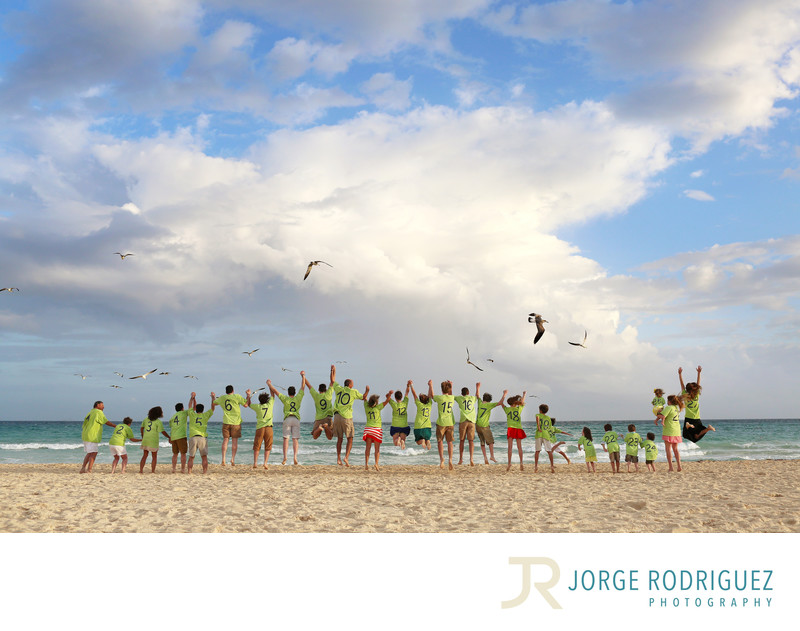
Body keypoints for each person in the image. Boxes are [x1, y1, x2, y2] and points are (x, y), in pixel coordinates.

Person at [331, 364, 363, 466]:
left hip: (336, 416)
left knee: (339, 439)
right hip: (346, 417)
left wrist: (333, 371)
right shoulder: (353, 391)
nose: (353, 384)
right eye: (352, 383)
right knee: (350, 438)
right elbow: (363, 397)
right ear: (349, 385)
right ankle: (346, 457)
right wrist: (367, 392)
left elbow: (332, 380)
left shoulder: (339, 388)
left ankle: (339, 459)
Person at [271, 372, 306, 465]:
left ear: (288, 392)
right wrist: (303, 376)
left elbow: (275, 391)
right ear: (295, 392)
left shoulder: (285, 398)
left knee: (286, 439)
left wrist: (269, 384)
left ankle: (285, 457)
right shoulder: (298, 397)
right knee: (295, 439)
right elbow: (303, 387)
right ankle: (295, 457)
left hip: (287, 419)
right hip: (295, 419)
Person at [214, 385, 251, 466]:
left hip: (226, 421)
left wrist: (213, 397)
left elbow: (214, 403)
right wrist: (248, 395)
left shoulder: (222, 397)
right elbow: (246, 405)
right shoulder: (237, 396)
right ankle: (232, 459)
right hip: (236, 422)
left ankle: (223, 459)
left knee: (225, 440)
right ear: (233, 391)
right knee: (234, 442)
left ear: (226, 391)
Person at [679, 366, 715, 442]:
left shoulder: (685, 395)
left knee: (685, 435)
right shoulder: (696, 395)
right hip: (697, 418)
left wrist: (680, 374)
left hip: (688, 418)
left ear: (687, 389)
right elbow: (698, 383)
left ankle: (688, 426)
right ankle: (707, 429)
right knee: (696, 437)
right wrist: (699, 373)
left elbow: (682, 385)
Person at [80, 401, 117, 473]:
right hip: (92, 435)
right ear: (97, 405)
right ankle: (89, 469)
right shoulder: (98, 412)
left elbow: (84, 424)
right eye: (102, 405)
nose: (103, 407)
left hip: (86, 435)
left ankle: (83, 468)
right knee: (94, 453)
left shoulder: (90, 413)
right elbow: (106, 421)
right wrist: (115, 426)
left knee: (90, 453)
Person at [428, 379, 456, 470]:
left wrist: (431, 385)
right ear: (449, 390)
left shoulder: (440, 398)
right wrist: (451, 385)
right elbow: (451, 394)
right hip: (450, 423)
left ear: (441, 390)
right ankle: (450, 459)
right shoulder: (452, 398)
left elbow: (432, 396)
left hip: (441, 423)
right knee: (450, 442)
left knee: (440, 441)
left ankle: (441, 459)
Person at [362, 386, 391, 470]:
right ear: (376, 402)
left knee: (368, 448)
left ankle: (366, 464)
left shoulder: (366, 407)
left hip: (368, 429)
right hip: (376, 429)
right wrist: (389, 394)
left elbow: (364, 398)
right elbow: (387, 401)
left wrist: (367, 390)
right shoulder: (378, 408)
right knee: (377, 449)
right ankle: (376, 464)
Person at [187, 393, 216, 474]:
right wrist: (213, 398)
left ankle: (189, 471)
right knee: (204, 457)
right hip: (202, 438)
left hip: (193, 437)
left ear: (195, 409)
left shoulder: (192, 414)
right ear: (203, 410)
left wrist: (192, 398)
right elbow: (213, 408)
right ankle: (204, 471)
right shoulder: (205, 415)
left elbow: (189, 406)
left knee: (191, 457)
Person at [656, 394, 685, 472]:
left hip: (669, 430)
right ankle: (679, 466)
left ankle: (671, 467)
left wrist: (657, 413)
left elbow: (662, 416)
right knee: (675, 449)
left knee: (668, 449)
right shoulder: (676, 408)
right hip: (677, 431)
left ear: (669, 401)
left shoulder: (668, 407)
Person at [475, 384, 504, 464]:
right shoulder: (489, 405)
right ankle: (492, 456)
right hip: (484, 426)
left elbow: (477, 395)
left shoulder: (480, 402)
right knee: (491, 442)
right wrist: (504, 394)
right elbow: (500, 403)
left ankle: (485, 458)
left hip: (477, 425)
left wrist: (477, 387)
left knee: (482, 442)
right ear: (489, 400)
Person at [249, 389, 275, 469]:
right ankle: (265, 463)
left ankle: (255, 463)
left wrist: (248, 395)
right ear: (267, 399)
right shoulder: (270, 405)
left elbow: (249, 404)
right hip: (268, 428)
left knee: (257, 446)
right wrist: (270, 386)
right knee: (268, 446)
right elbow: (273, 395)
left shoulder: (258, 407)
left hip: (260, 428)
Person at [501, 391, 527, 471]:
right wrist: (524, 395)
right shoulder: (519, 408)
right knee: (520, 447)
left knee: (510, 448)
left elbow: (501, 403)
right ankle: (521, 463)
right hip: (518, 428)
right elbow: (522, 402)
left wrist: (504, 394)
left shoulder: (507, 409)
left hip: (511, 428)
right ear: (516, 403)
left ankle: (509, 463)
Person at [139, 406, 170, 474]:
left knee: (145, 455)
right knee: (154, 456)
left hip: (146, 439)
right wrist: (169, 437)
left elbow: (142, 428)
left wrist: (142, 436)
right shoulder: (158, 422)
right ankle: (152, 471)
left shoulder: (146, 419)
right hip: (153, 440)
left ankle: (141, 470)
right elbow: (162, 431)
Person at [306, 369, 334, 441]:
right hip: (328, 418)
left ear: (319, 389)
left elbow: (309, 386)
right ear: (326, 389)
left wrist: (303, 376)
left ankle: (319, 428)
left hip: (318, 418)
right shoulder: (328, 394)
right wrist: (332, 371)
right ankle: (326, 427)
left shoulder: (316, 396)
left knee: (315, 436)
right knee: (330, 437)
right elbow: (332, 382)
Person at [455, 384, 479, 466]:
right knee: (471, 441)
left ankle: (461, 459)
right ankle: (471, 459)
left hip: (463, 421)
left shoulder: (459, 398)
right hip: (472, 421)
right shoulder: (472, 398)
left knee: (462, 440)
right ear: (468, 392)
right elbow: (477, 396)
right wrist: (477, 387)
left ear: (462, 393)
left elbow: (451, 396)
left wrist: (451, 385)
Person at [167, 397, 191, 474]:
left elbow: (171, 428)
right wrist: (192, 398)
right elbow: (191, 408)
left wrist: (170, 437)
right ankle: (183, 469)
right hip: (181, 436)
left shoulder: (172, 417)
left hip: (174, 437)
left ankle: (173, 469)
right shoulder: (184, 413)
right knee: (183, 454)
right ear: (182, 408)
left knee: (175, 454)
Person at [409, 380, 432, 449]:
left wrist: (411, 385)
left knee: (417, 441)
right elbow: (430, 395)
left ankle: (422, 441)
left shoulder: (419, 405)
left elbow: (414, 394)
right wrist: (430, 385)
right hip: (427, 426)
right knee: (427, 439)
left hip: (418, 426)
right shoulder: (429, 405)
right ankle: (427, 441)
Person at [388, 383, 411, 450]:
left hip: (395, 426)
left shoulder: (394, 404)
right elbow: (407, 392)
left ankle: (398, 439)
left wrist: (389, 394)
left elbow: (388, 398)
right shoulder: (405, 403)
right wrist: (408, 385)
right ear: (401, 397)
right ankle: (402, 441)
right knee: (403, 440)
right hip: (404, 426)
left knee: (395, 443)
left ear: (395, 398)